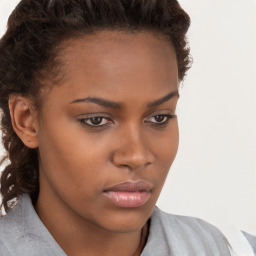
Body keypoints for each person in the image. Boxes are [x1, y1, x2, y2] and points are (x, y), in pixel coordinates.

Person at [0, 0, 255, 255]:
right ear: (27, 120)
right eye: (96, 120)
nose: (137, 156)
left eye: (159, 118)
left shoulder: (234, 250)